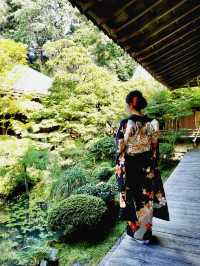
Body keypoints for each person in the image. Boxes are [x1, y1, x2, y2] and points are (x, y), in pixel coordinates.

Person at [115, 90, 170, 244]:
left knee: (134, 200)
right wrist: (152, 164)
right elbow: (154, 147)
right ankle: (146, 233)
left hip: (132, 168)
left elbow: (119, 148)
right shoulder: (152, 123)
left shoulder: (126, 123)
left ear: (131, 103)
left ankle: (136, 234)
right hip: (147, 166)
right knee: (146, 200)